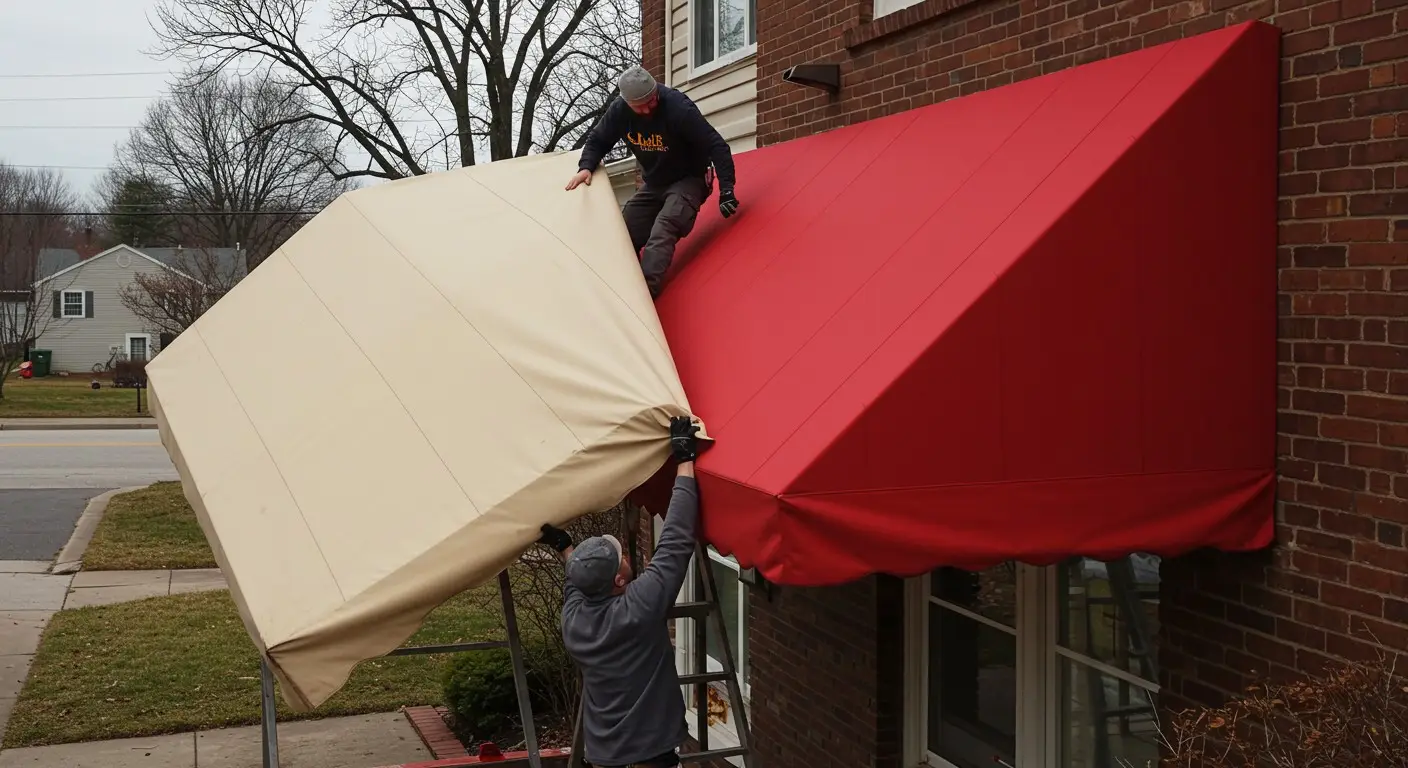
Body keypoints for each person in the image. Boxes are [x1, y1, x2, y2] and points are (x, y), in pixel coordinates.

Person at [536, 416, 705, 768]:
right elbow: (674, 540)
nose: (626, 555)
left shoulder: (575, 622)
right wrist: (685, 460)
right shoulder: (640, 606)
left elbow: (575, 580)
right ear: (619, 582)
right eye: (621, 558)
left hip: (605, 755)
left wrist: (567, 549)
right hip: (650, 754)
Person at [566, 65, 739, 299]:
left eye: (652, 100)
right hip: (655, 182)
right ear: (627, 102)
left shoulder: (678, 108)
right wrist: (586, 167)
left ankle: (643, 297)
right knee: (624, 230)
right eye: (642, 106)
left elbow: (716, 145)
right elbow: (598, 140)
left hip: (689, 178)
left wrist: (727, 189)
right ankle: (614, 291)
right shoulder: (619, 112)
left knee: (665, 226)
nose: (649, 108)